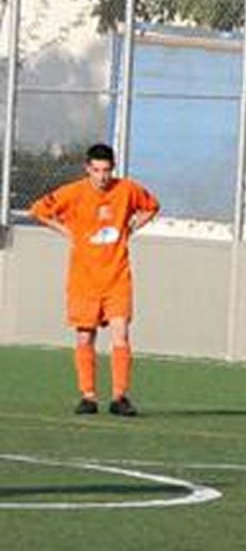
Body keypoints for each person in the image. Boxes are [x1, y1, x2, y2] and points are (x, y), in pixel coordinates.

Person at [29, 143, 159, 417]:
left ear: (113, 169)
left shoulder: (127, 190)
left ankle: (120, 396)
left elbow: (151, 206)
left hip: (117, 277)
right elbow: (38, 210)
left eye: (107, 170)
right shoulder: (73, 192)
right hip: (84, 279)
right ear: (87, 169)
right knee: (84, 336)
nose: (102, 176)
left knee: (121, 333)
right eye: (97, 170)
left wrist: (131, 228)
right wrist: (68, 232)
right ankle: (88, 396)